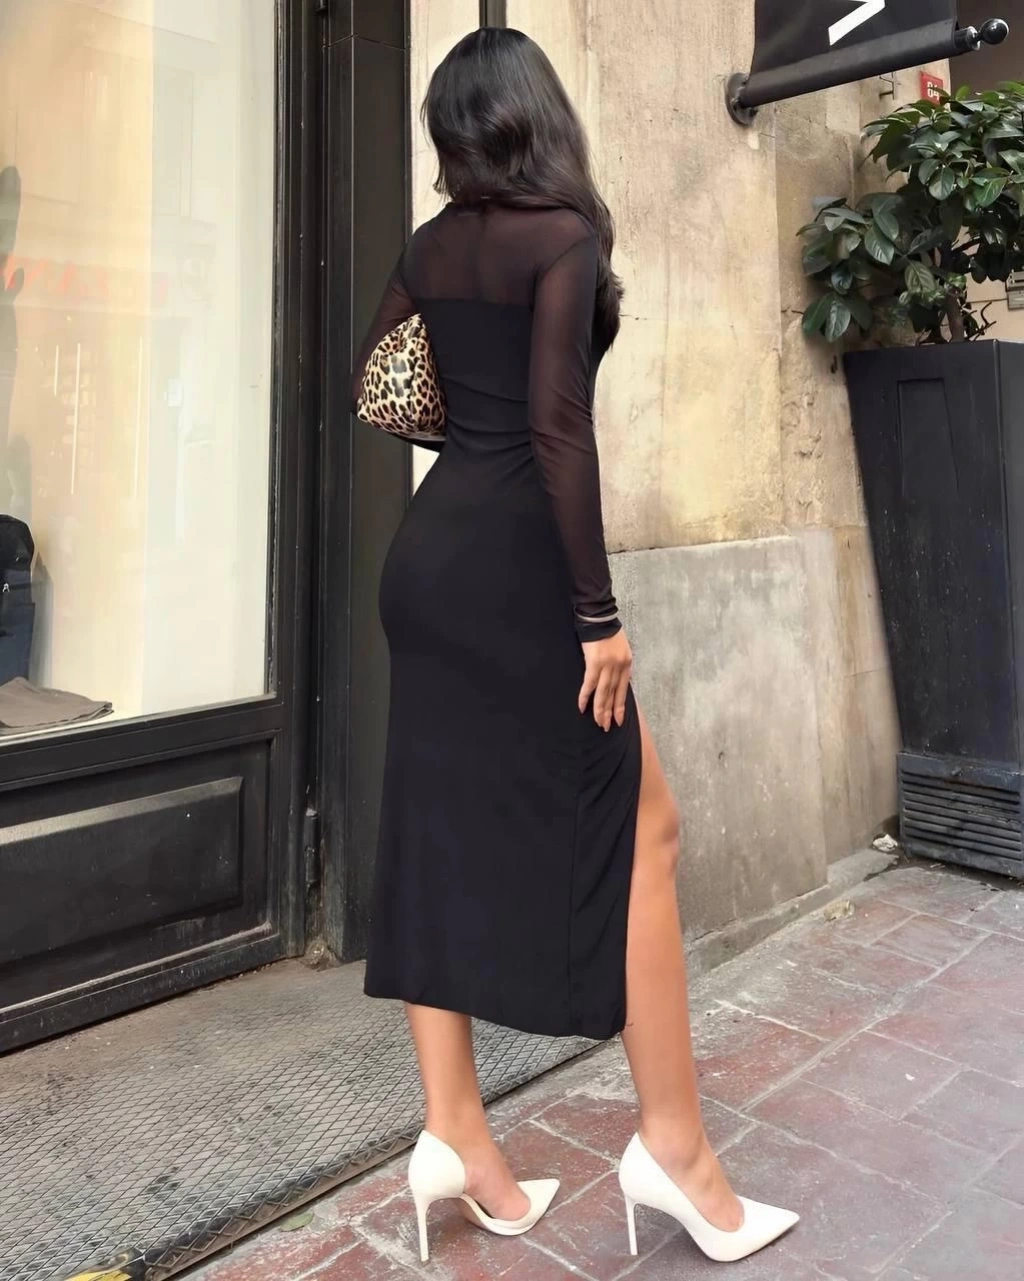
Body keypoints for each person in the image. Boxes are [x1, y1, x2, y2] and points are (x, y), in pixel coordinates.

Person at [352, 26, 798, 1268]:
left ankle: (456, 1134)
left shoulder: (429, 245)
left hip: (429, 559)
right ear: (539, 115)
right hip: (517, 577)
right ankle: (676, 1152)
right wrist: (597, 617)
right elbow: (558, 428)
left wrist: (471, 432)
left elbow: (382, 394)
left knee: (433, 832)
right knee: (645, 827)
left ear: (456, 129)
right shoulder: (563, 236)